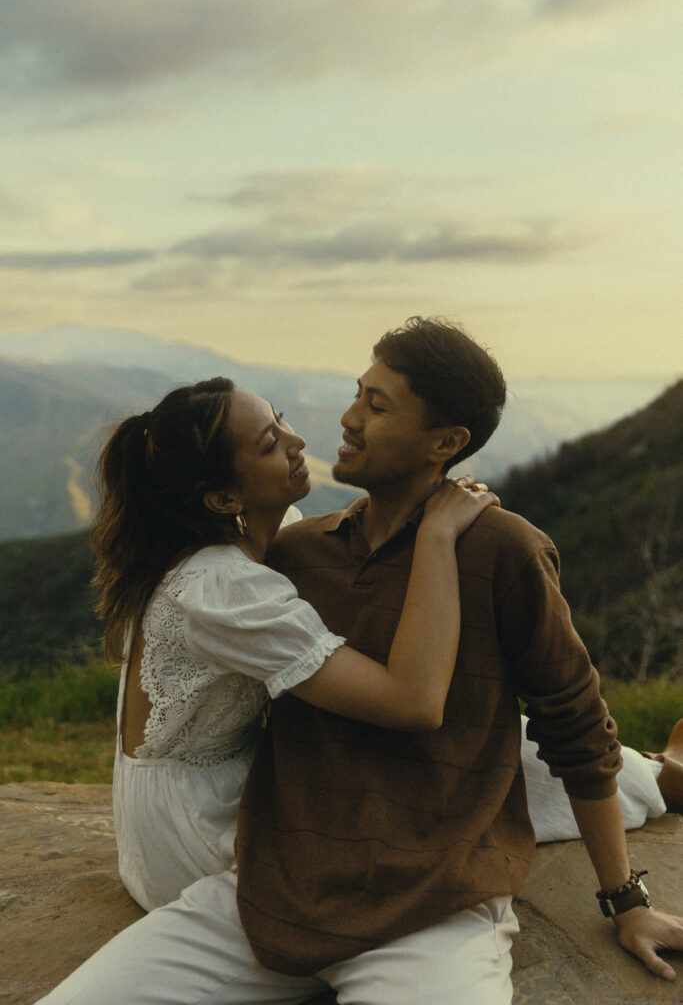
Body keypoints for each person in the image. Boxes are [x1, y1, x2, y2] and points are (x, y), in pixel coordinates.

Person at [38, 320, 683, 1005]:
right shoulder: (293, 556)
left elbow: (573, 723)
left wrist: (625, 900)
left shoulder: (503, 551)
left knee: (510, 749)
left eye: (376, 407)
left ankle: (664, 777)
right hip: (273, 887)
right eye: (357, 394)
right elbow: (406, 699)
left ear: (446, 443)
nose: (344, 420)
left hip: (429, 910)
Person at [91, 377, 496, 912]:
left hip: (210, 791)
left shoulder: (220, 549)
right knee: (443, 773)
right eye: (268, 442)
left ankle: (634, 775)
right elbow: (413, 702)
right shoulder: (220, 589)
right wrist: (437, 536)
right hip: (195, 832)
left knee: (465, 755)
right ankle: (634, 783)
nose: (296, 440)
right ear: (224, 498)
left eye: (280, 419)